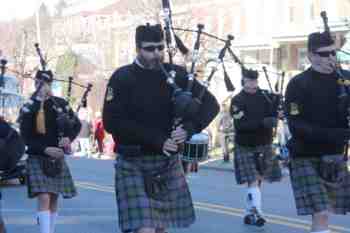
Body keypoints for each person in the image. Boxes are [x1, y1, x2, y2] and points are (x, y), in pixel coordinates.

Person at [103, 23, 219, 233]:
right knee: (144, 228)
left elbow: (211, 105)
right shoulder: (122, 77)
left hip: (167, 162)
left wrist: (189, 128)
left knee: (160, 228)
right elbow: (113, 122)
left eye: (160, 47)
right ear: (137, 49)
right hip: (133, 161)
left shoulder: (177, 75)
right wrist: (156, 139)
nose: (156, 53)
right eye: (149, 48)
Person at [284, 29, 350, 233]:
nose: (331, 57)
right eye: (324, 54)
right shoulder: (298, 84)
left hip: (335, 155)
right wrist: (336, 134)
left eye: (333, 53)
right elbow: (296, 125)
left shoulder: (345, 80)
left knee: (327, 210)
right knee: (321, 212)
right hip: (306, 156)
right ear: (311, 55)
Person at [19, 70, 81, 233]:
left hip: (57, 159)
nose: (43, 87)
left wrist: (69, 138)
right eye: (40, 83)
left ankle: (49, 230)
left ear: (51, 84)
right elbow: (25, 136)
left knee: (53, 198)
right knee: (44, 196)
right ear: (35, 83)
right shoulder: (29, 107)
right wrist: (45, 149)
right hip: (37, 156)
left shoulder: (60, 104)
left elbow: (76, 125)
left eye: (47, 83)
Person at [230, 68, 282, 227]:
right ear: (243, 81)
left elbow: (275, 112)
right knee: (253, 180)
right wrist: (262, 122)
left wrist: (277, 107)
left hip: (264, 143)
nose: (253, 84)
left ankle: (249, 213)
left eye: (255, 81)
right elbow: (240, 124)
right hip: (245, 145)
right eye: (249, 81)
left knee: (257, 181)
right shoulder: (237, 100)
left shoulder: (265, 96)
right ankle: (257, 212)